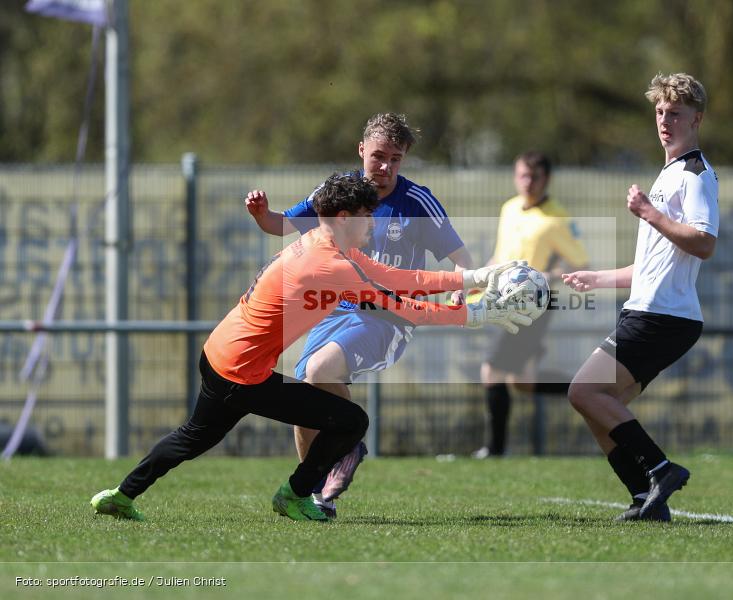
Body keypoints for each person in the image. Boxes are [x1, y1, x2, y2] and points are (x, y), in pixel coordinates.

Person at [91, 173, 530, 523]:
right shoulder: (331, 264)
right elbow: (406, 308)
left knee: (193, 436)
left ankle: (120, 495)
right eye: (365, 216)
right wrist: (476, 315)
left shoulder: (329, 247)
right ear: (342, 217)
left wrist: (476, 279)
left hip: (221, 354)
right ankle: (296, 494)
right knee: (351, 421)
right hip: (241, 374)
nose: (372, 224)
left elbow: (402, 278)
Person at [246, 113, 473, 517]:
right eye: (379, 156)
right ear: (361, 150)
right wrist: (263, 216)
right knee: (305, 392)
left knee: (317, 373)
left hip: (387, 317)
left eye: (396, 159)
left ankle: (347, 443)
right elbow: (283, 226)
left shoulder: (417, 201)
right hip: (335, 313)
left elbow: (462, 259)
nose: (386, 167)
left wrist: (462, 290)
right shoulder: (337, 193)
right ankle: (313, 494)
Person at [563, 73, 718, 521]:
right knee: (601, 406)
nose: (665, 121)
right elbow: (651, 268)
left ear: (697, 119)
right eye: (660, 113)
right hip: (657, 313)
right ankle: (643, 498)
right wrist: (599, 278)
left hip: (662, 318)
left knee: (584, 391)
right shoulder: (669, 173)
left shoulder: (695, 175)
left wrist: (649, 213)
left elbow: (705, 242)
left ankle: (660, 469)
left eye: (676, 114)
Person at [473, 151, 588, 458]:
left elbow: (579, 263)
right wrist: (473, 284)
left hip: (532, 305)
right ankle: (591, 390)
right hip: (503, 301)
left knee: (491, 371)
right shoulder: (509, 209)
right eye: (522, 175)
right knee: (523, 382)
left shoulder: (556, 218)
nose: (527, 182)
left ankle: (494, 451)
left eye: (534, 176)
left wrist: (539, 277)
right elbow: (498, 258)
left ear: (546, 179)